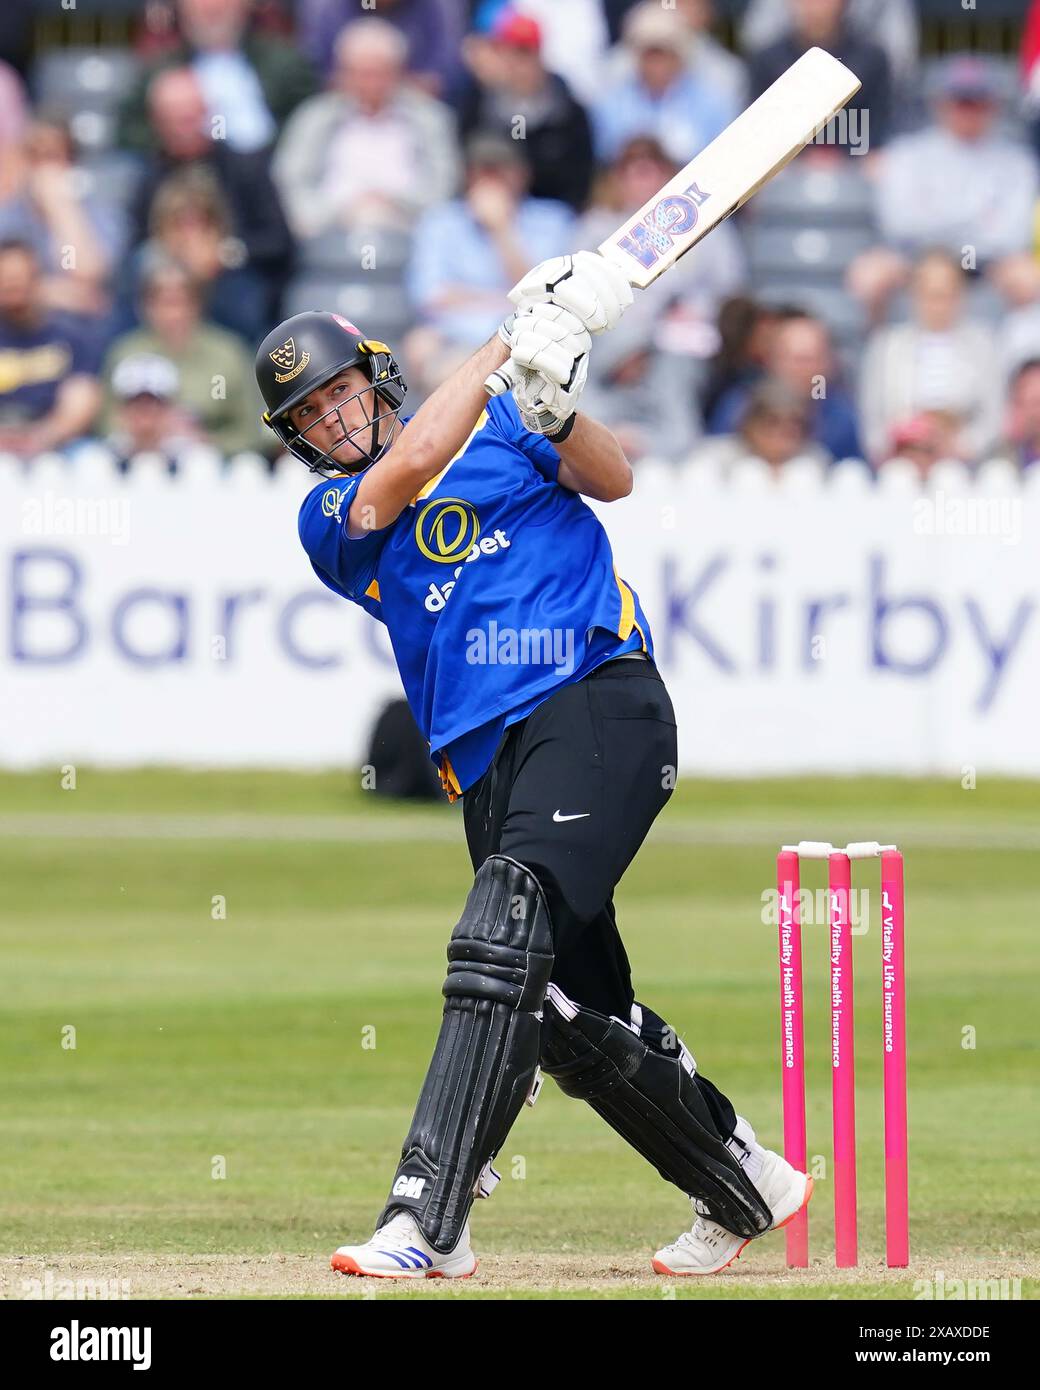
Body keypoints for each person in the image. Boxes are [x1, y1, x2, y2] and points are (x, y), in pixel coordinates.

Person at [254, 254, 813, 1278]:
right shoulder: (330, 519)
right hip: (486, 761)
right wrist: (515, 338)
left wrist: (552, 412)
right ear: (297, 442)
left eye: (339, 394)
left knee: (497, 933)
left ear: (373, 380)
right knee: (563, 1011)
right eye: (309, 415)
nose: (332, 420)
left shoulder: (505, 421)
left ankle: (425, 1216)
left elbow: (614, 477)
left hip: (595, 702)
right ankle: (744, 1180)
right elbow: (414, 462)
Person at [273, 17, 458, 240]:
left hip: (412, 236)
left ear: (399, 71)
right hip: (326, 238)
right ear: (341, 73)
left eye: (379, 73)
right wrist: (340, 211)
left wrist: (391, 202)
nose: (370, 84)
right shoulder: (313, 118)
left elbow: (443, 187)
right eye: (360, 73)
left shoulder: (431, 118)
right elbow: (291, 182)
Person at [103, 257, 266, 456]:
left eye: (181, 301)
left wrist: (207, 442)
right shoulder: (125, 352)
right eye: (163, 302)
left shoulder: (228, 354)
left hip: (215, 468)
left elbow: (250, 430)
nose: (173, 313)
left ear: (198, 304)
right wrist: (146, 433)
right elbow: (105, 422)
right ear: (145, 306)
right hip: (134, 463)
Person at [858, 249, 1000, 466]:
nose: (938, 305)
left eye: (946, 295)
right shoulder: (886, 347)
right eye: (930, 294)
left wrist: (960, 446)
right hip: (900, 468)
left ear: (961, 296)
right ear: (914, 295)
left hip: (965, 468)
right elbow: (872, 425)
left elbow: (994, 418)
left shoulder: (983, 346)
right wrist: (903, 447)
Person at [457, 8, 594, 211]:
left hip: (551, 213)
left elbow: (580, 178)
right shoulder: (476, 104)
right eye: (508, 52)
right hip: (487, 206)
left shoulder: (568, 111)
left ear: (539, 54)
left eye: (524, 53)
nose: (517, 64)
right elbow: (465, 161)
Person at [0, 240, 101, 457]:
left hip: (56, 446)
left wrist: (42, 437)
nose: (14, 290)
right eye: (7, 282)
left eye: (20, 280)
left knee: (91, 458)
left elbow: (82, 398)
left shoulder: (70, 336)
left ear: (37, 280)